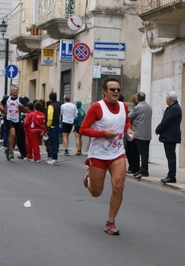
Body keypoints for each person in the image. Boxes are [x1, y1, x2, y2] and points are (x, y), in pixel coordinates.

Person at [79, 77, 134, 235]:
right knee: (96, 192)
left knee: (119, 185)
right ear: (104, 92)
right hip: (98, 154)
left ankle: (110, 222)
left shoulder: (123, 106)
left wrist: (129, 130)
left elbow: (126, 121)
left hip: (117, 153)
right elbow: (83, 129)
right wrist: (103, 134)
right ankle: (88, 179)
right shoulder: (97, 107)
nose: (116, 92)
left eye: (118, 89)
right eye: (112, 89)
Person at [156, 91, 182, 184]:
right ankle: (170, 175)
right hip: (169, 136)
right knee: (170, 156)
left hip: (170, 136)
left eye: (166, 98)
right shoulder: (173, 108)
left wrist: (158, 129)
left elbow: (166, 121)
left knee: (171, 156)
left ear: (170, 99)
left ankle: (171, 176)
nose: (165, 100)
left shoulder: (174, 109)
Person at [128, 92, 153, 180]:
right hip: (147, 134)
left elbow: (129, 117)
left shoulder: (137, 107)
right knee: (145, 152)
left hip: (139, 133)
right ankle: (142, 169)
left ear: (137, 99)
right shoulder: (149, 107)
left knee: (141, 153)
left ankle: (144, 170)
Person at [0, 85, 29, 161]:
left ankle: (8, 149)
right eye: (14, 90)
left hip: (17, 120)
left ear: (18, 91)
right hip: (8, 118)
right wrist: (2, 112)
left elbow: (27, 110)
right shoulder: (7, 99)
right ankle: (11, 150)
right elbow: (0, 104)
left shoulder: (21, 99)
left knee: (13, 136)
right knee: (12, 134)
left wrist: (22, 106)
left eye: (16, 90)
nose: (15, 91)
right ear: (11, 91)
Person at [46, 92, 61, 165]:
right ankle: (53, 157)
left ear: (50, 98)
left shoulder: (51, 105)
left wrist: (48, 125)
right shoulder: (59, 104)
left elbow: (50, 117)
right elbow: (60, 115)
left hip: (52, 126)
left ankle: (54, 158)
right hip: (57, 125)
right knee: (55, 141)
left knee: (52, 142)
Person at [125, 94, 139, 175]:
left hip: (132, 132)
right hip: (133, 131)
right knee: (132, 151)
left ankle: (133, 167)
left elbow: (128, 118)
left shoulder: (135, 109)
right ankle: (133, 167)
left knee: (131, 151)